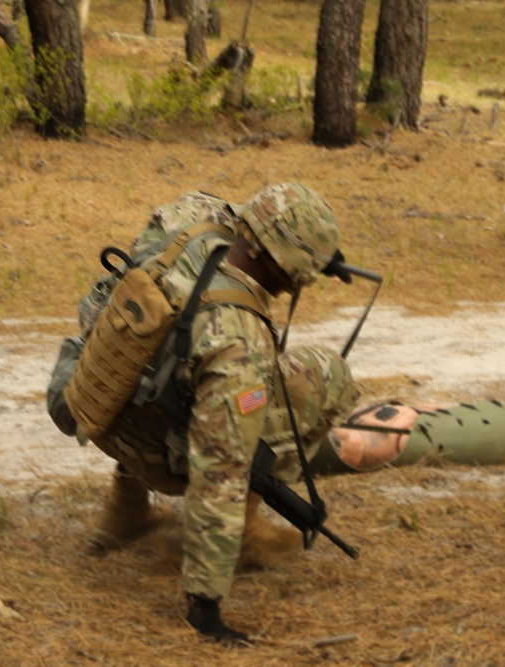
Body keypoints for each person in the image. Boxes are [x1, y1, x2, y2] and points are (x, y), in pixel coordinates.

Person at [47, 183, 361, 645]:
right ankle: (248, 534)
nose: (302, 283)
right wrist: (206, 606)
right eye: (304, 272)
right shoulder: (239, 341)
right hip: (156, 451)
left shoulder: (189, 221)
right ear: (286, 267)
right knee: (328, 376)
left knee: (174, 369)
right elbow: (221, 471)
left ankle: (125, 511)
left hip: (97, 402)